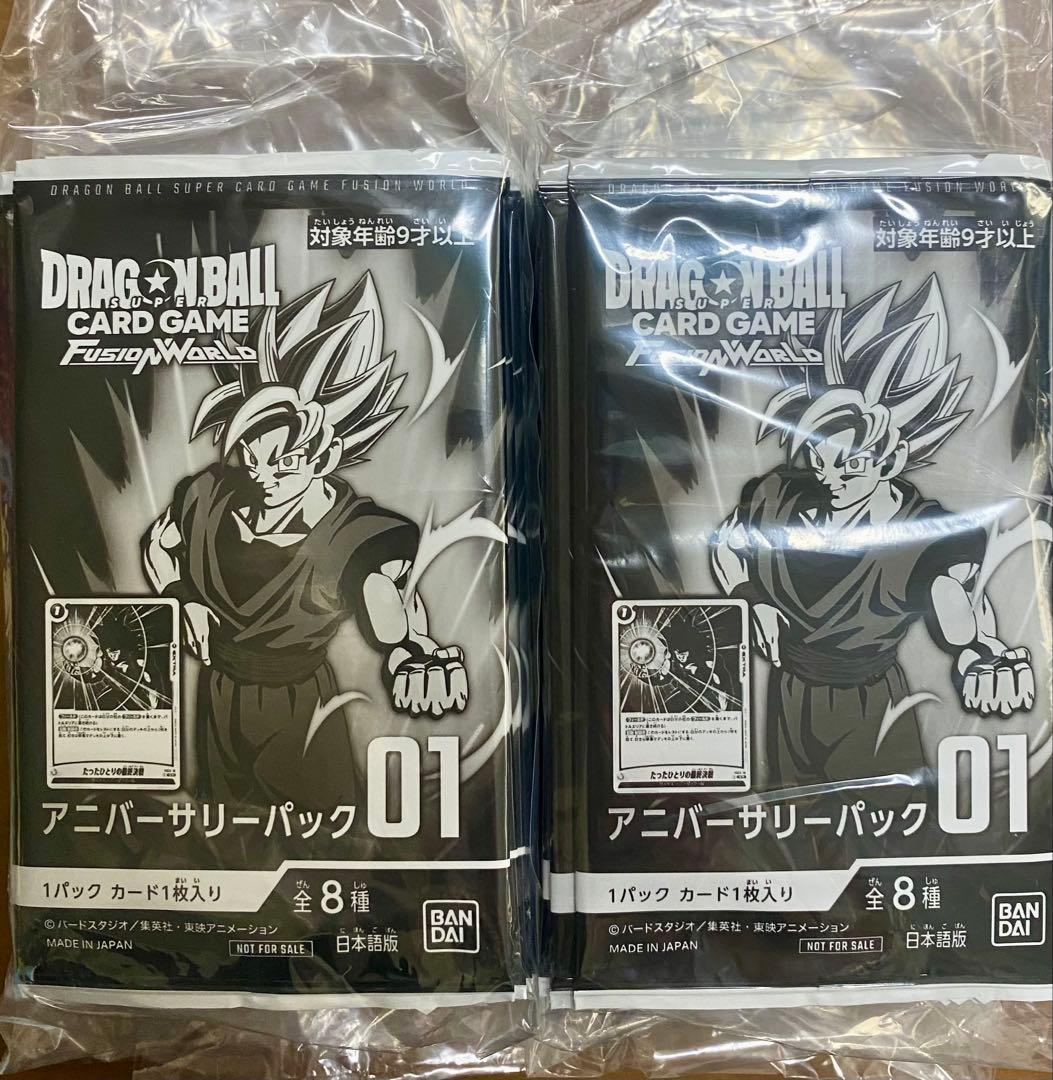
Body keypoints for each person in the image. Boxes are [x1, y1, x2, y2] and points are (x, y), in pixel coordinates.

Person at [142, 272, 468, 806]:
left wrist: (416, 652)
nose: (264, 475)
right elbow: (159, 548)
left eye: (285, 461)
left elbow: (389, 602)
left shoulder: (353, 533)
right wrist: (182, 598)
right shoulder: (210, 496)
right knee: (222, 831)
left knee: (318, 832)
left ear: (324, 455)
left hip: (299, 712)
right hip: (219, 700)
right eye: (253, 457)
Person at [711, 274, 1034, 787]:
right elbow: (728, 545)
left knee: (880, 820)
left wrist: (983, 651)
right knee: (797, 822)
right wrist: (751, 598)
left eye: (851, 464)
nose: (830, 477)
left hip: (870, 710)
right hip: (790, 701)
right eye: (819, 457)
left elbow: (956, 603)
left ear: (891, 459)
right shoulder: (781, 495)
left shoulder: (923, 534)